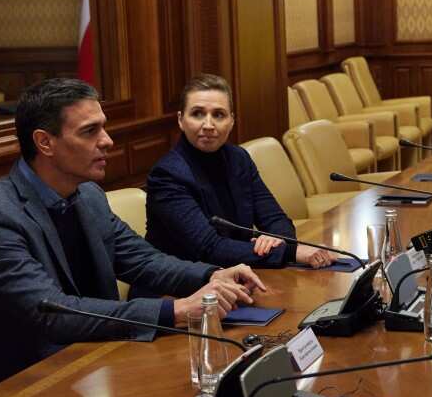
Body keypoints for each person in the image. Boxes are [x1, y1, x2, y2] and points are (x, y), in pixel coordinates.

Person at [0, 78, 264, 392]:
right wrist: (175, 311)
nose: (108, 140)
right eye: (89, 131)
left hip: (90, 365)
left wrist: (213, 275)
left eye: (103, 127)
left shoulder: (88, 196)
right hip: (12, 390)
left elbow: (144, 261)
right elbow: (54, 313)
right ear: (45, 142)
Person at [143, 73, 334, 272]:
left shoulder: (238, 158)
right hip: (176, 289)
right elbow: (208, 248)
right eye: (198, 113)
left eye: (218, 115)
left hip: (235, 275)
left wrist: (276, 240)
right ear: (181, 120)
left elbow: (276, 219)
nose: (208, 125)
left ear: (232, 121)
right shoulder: (167, 175)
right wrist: (289, 252)